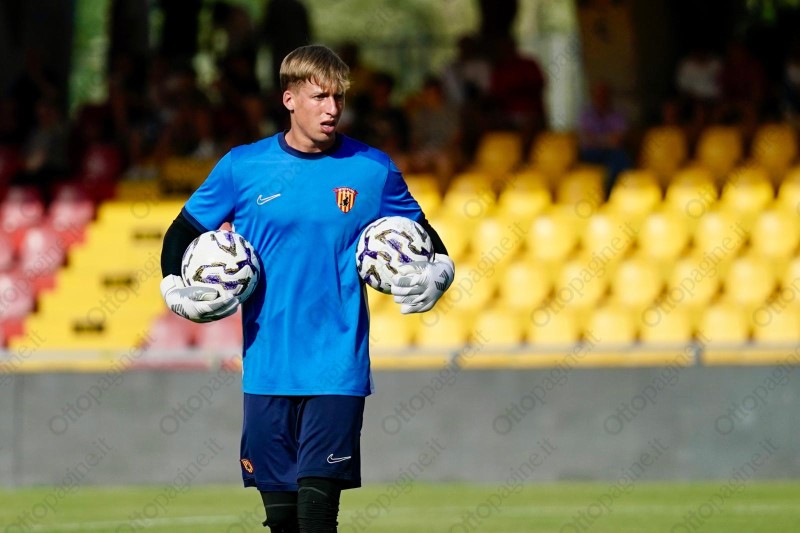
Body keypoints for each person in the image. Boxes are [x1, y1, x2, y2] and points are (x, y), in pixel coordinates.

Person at [158, 45, 454, 532]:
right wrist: (172, 286)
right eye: (320, 97)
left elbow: (428, 239)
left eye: (339, 97)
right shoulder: (241, 166)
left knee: (317, 519)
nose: (332, 109)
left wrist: (440, 272)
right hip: (267, 369)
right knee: (283, 523)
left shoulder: (373, 169)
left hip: (337, 367)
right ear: (289, 99)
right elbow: (182, 232)